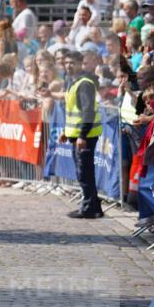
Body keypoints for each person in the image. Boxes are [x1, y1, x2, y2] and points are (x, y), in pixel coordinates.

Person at [60, 49, 104, 219]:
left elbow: (88, 112)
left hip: (86, 136)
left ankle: (88, 208)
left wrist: (82, 136)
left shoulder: (84, 83)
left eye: (72, 63)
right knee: (84, 172)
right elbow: (73, 111)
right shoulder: (72, 81)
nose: (69, 66)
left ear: (80, 64)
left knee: (84, 173)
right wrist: (66, 132)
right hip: (77, 134)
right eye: (66, 63)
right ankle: (94, 206)